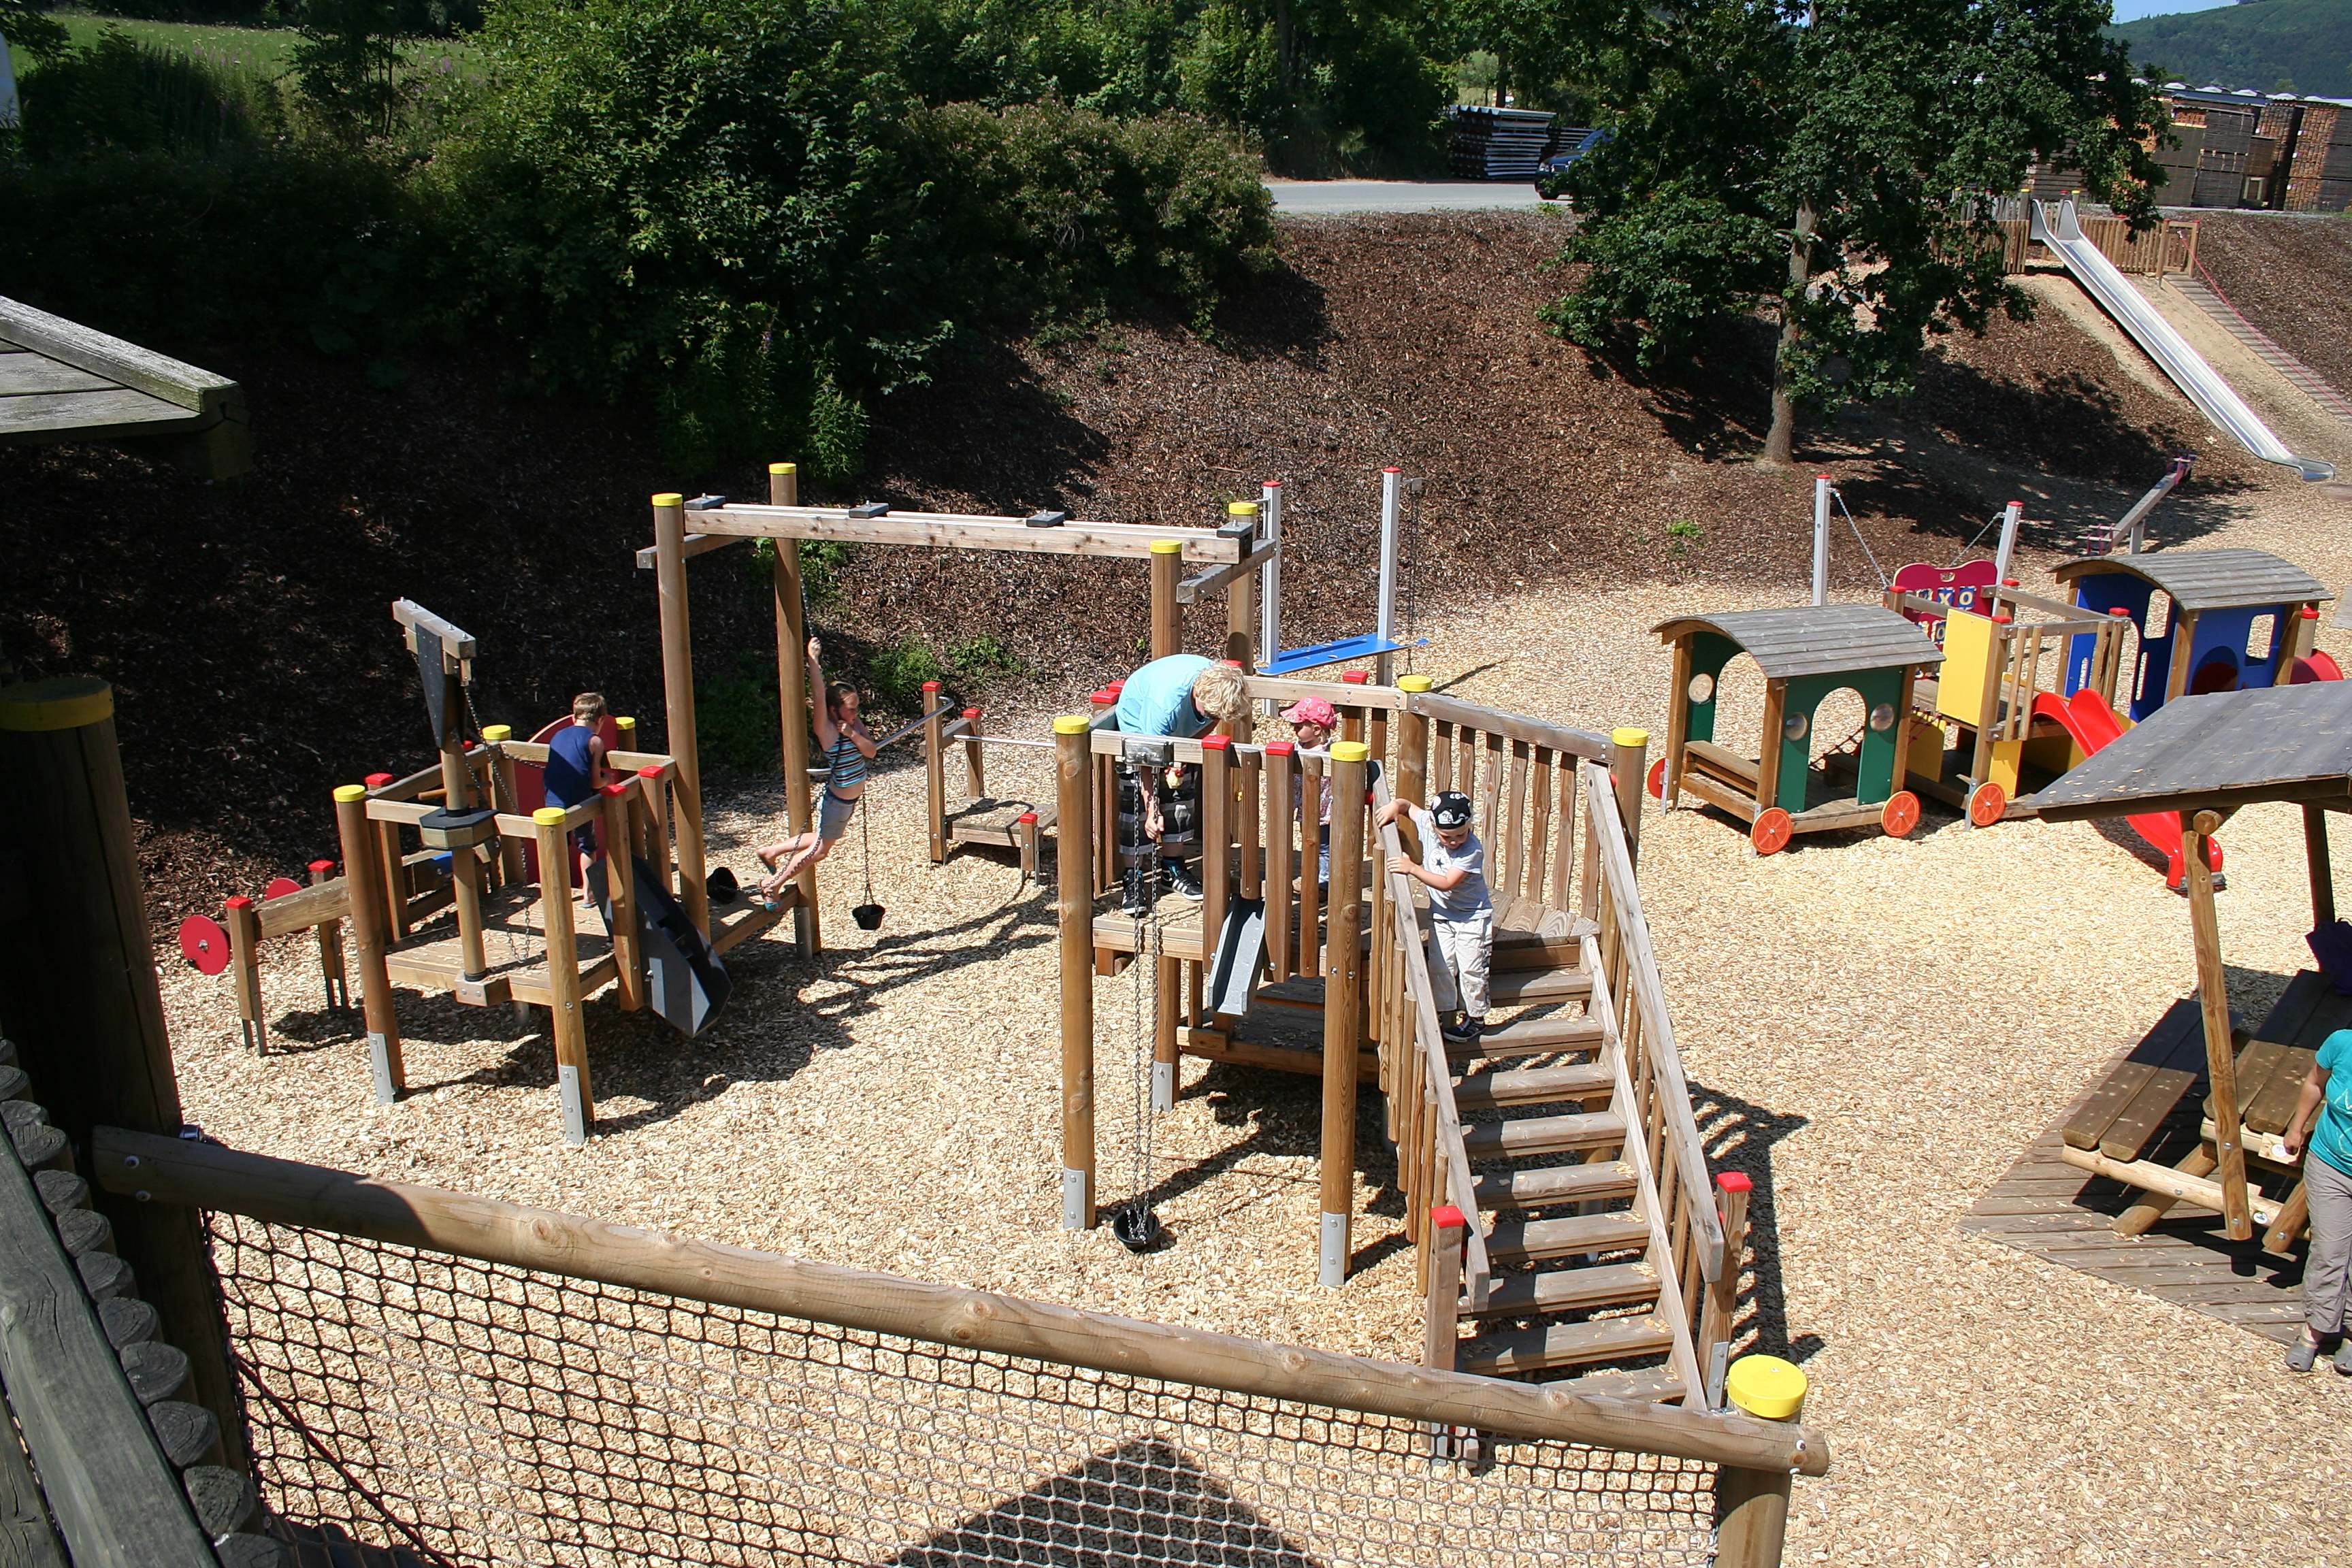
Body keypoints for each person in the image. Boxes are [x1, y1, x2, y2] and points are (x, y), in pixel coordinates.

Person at [1109, 654, 1250, 914]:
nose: (1213, 717)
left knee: (1179, 799)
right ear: (1198, 694)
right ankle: (1133, 876)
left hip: (1174, 734)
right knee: (1136, 808)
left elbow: (1212, 719)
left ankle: (1172, 869)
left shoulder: (1216, 687)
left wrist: (1183, 753)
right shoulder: (1165, 705)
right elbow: (1146, 759)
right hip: (1139, 733)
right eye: (1210, 711)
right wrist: (1152, 810)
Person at [756, 638, 878, 896]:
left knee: (823, 837)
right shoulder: (826, 730)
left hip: (848, 801)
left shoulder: (854, 725)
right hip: (837, 801)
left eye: (857, 708)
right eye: (851, 709)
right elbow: (819, 697)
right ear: (835, 710)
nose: (855, 713)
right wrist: (813, 661)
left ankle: (771, 851)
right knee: (820, 851)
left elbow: (871, 751)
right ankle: (773, 884)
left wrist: (853, 733)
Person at [1374, 789, 1492, 1044]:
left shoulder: (1471, 850)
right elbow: (1408, 806)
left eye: (1461, 834)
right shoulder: (1428, 824)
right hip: (1442, 916)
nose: (1454, 841)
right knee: (1441, 966)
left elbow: (1447, 882)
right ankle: (1440, 1012)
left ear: (1470, 825)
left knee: (1472, 968)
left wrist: (1413, 868)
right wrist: (1395, 806)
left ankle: (1476, 1018)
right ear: (1434, 826)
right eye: (1447, 836)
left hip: (1472, 918)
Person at [2279, 1032, 2352, 1373]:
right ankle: (2314, 1330)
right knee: (2329, 1249)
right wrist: (2296, 1128)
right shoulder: (2341, 1043)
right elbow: (2314, 1083)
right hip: (2331, 1164)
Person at [543, 692, 614, 897]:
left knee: (557, 845)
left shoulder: (557, 735)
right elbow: (595, 782)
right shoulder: (594, 741)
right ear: (600, 720)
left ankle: (556, 892)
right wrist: (608, 779)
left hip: (553, 797)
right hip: (580, 800)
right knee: (587, 846)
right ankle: (588, 893)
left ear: (574, 717)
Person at [1282, 696, 1338, 888]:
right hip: (1305, 806)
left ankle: (1323, 883)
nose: (1294, 729)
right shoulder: (1299, 747)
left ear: (1316, 730)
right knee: (1309, 842)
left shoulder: (1329, 753)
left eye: (1299, 726)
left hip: (1323, 811)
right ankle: (1311, 876)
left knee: (1323, 847)